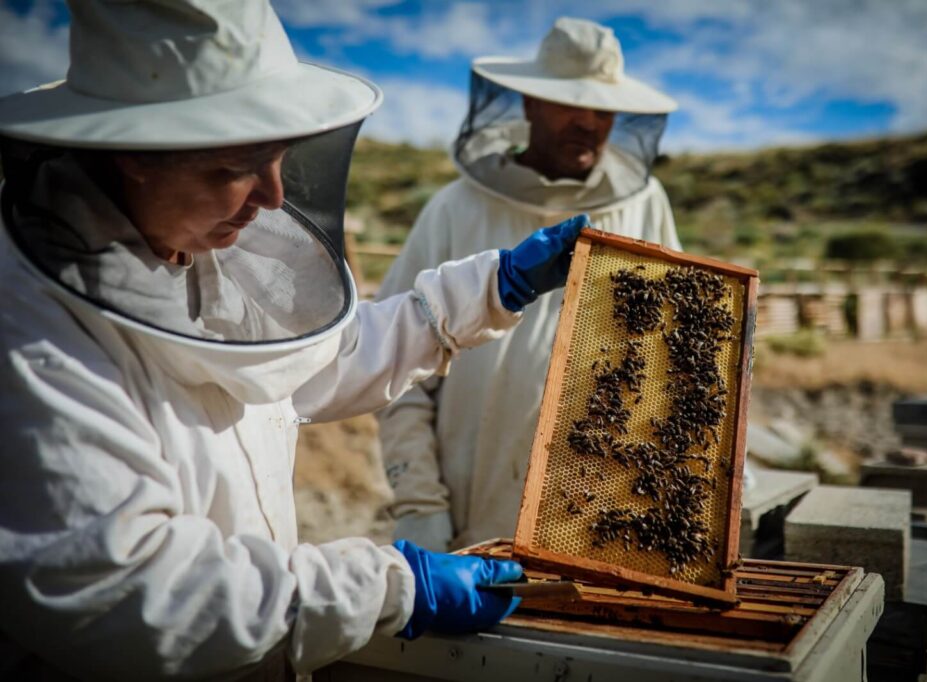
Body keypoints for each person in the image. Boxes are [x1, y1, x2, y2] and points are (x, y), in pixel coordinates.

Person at [0, 2, 587, 680]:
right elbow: (131, 594)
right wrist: (389, 587)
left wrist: (496, 286)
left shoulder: (193, 248)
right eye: (236, 166)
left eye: (279, 158)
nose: (274, 197)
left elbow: (313, 363)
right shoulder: (29, 335)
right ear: (134, 151)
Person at [376, 17, 682, 552]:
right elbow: (396, 365)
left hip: (605, 524)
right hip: (474, 524)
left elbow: (670, 359)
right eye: (570, 104)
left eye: (602, 109)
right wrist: (419, 501)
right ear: (529, 105)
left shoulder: (644, 203)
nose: (588, 122)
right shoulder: (454, 209)